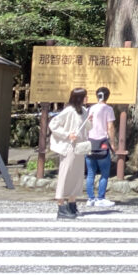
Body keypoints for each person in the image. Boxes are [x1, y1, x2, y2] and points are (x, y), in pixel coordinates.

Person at [48, 87, 90, 219]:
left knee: (77, 175)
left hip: (80, 147)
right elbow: (53, 124)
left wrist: (90, 120)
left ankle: (72, 203)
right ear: (80, 98)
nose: (87, 98)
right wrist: (67, 134)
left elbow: (88, 127)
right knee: (65, 174)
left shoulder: (83, 111)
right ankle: (61, 205)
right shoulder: (69, 111)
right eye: (85, 96)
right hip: (69, 147)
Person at [85, 86, 118, 208]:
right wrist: (113, 143)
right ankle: (100, 197)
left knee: (90, 173)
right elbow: (110, 127)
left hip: (90, 142)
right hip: (102, 142)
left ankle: (90, 198)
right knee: (104, 172)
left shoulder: (90, 109)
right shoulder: (108, 109)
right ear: (107, 96)